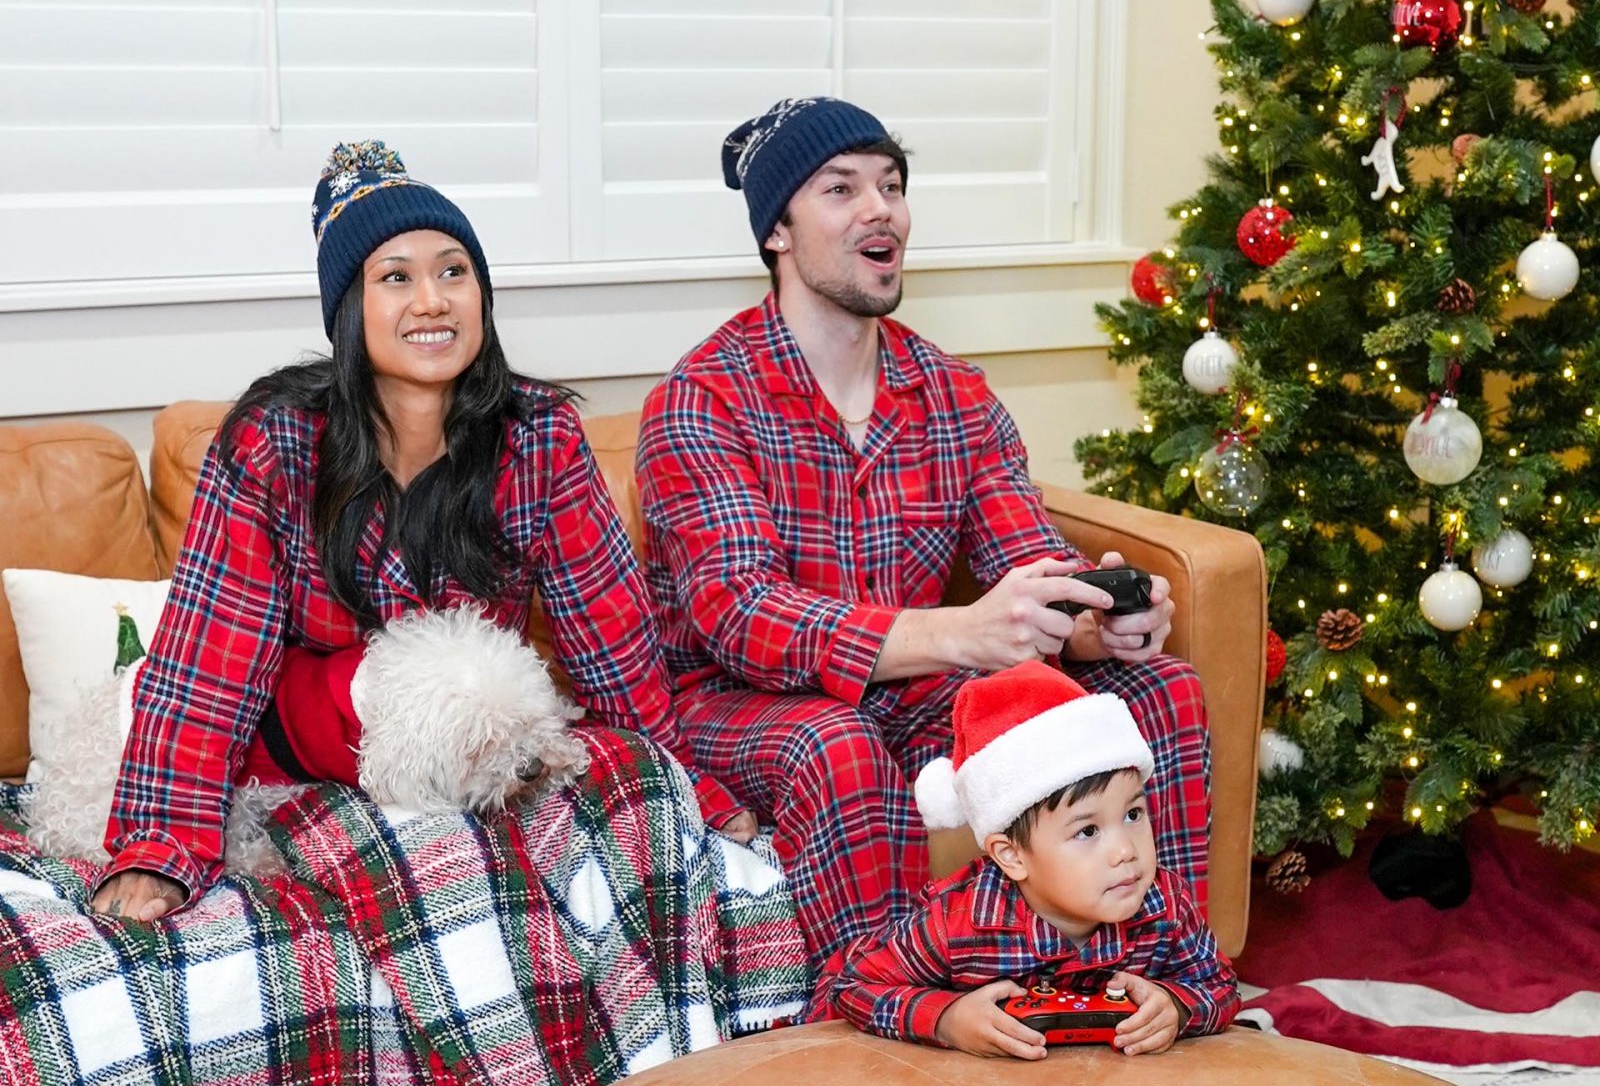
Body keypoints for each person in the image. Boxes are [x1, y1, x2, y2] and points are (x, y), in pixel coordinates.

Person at [92, 140, 754, 922]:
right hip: (303, 767)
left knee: (633, 799)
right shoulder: (273, 444)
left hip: (476, 768)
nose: (433, 300)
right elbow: (209, 662)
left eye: (453, 271)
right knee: (437, 858)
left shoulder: (540, 438)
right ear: (350, 308)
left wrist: (686, 793)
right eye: (396, 278)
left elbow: (616, 650)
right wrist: (161, 846)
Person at [634, 97, 1212, 964]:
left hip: (917, 697)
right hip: (741, 704)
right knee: (837, 742)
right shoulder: (702, 399)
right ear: (778, 233)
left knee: (1156, 692)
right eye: (841, 189)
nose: (882, 209)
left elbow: (1028, 560)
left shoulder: (953, 394)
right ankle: (884, 1009)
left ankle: (1164, 980)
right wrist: (964, 634)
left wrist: (1095, 622)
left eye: (892, 186)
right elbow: (741, 615)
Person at [808, 662, 1240, 1058]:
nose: (1126, 850)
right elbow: (851, 986)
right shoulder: (956, 923)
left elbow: (1220, 986)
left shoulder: (1166, 904)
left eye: (1133, 814)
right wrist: (946, 1018)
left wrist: (1179, 1009)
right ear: (1011, 856)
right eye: (1087, 831)